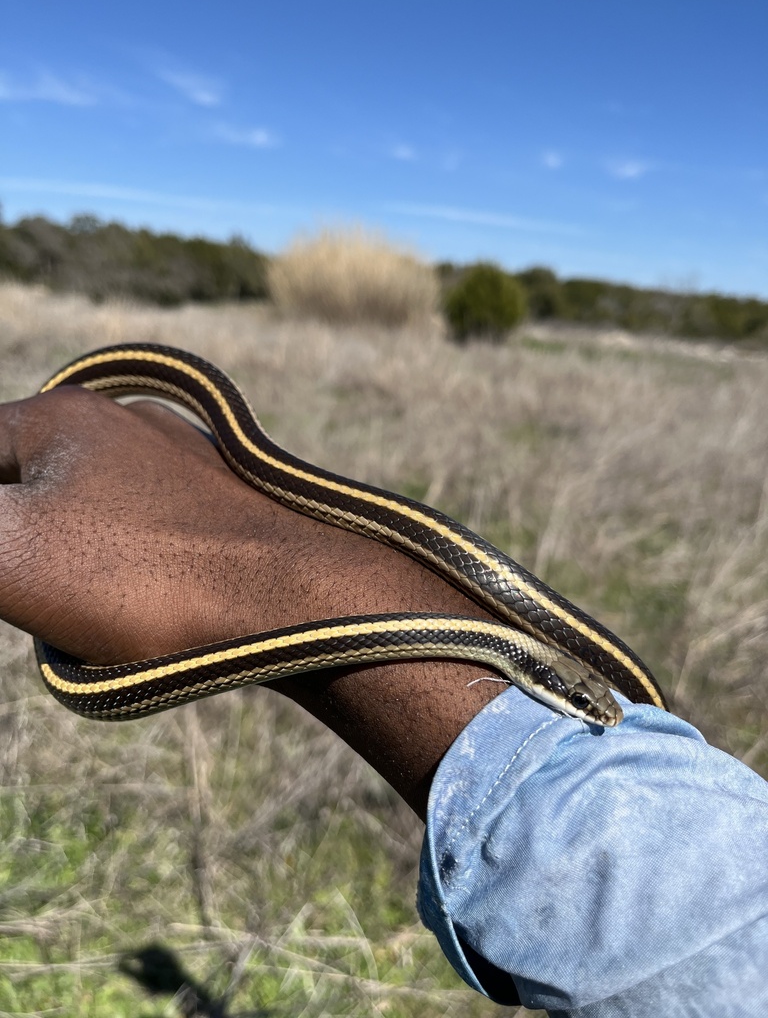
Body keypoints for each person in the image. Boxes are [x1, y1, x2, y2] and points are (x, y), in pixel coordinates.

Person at [1, 384, 767, 1016]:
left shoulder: (553, 667)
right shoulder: (522, 653)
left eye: (590, 710)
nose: (601, 713)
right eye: (582, 703)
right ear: (548, 678)